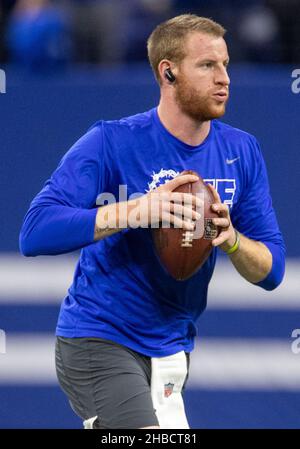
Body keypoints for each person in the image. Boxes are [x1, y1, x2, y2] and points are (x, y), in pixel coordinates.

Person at [19, 14, 285, 429]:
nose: (224, 78)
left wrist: (232, 240)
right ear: (169, 72)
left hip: (172, 346)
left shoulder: (242, 151)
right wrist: (138, 210)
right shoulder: (111, 141)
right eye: (208, 65)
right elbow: (35, 231)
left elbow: (272, 271)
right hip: (99, 338)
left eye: (226, 65)